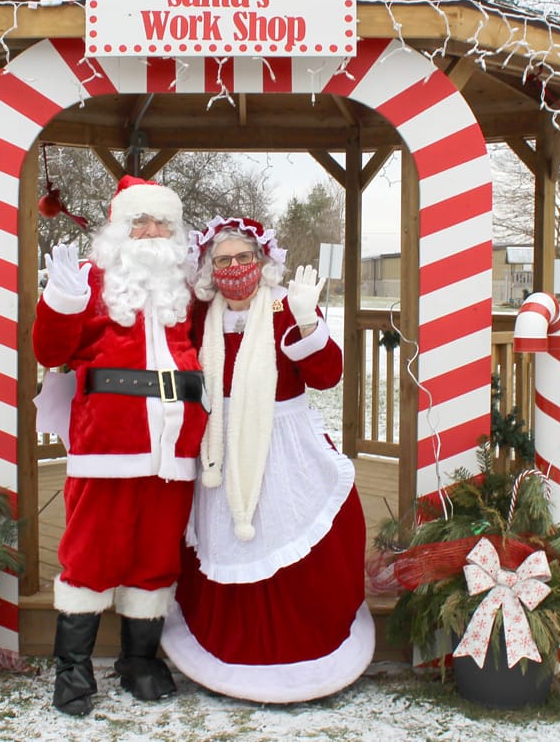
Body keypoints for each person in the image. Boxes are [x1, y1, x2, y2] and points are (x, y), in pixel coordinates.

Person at [160, 216, 375, 702]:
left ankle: (304, 651)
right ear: (209, 269)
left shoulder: (283, 308)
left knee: (284, 530)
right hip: (220, 443)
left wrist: (308, 323)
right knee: (225, 544)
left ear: (262, 261)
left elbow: (327, 375)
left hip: (281, 439)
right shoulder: (201, 314)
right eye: (223, 260)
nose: (235, 268)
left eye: (244, 258)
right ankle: (229, 646)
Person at [32, 175, 208, 716]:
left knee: (156, 554)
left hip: (175, 446)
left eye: (163, 223)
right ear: (119, 229)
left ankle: (140, 662)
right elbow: (51, 348)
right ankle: (74, 670)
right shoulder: (89, 279)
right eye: (140, 222)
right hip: (107, 442)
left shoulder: (187, 287)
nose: (152, 232)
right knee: (90, 553)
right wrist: (61, 301)